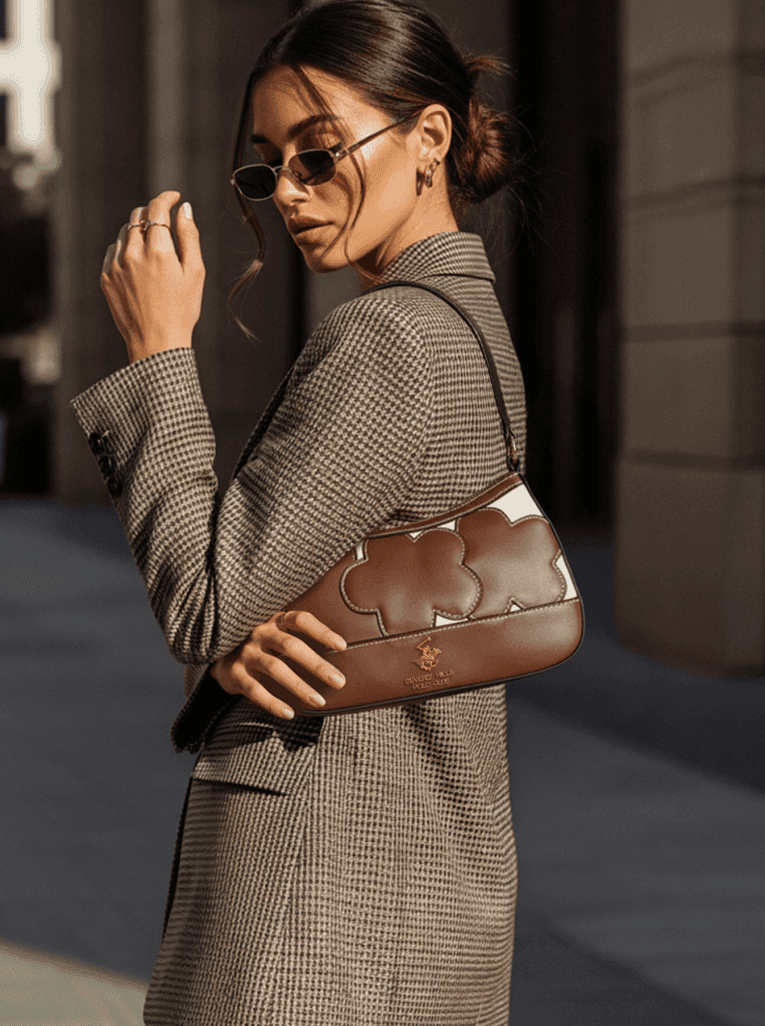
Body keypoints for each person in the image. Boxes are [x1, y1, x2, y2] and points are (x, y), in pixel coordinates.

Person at [72, 0, 528, 1021]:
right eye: (267, 165)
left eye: (318, 154)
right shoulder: (473, 326)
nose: (286, 190)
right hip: (429, 890)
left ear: (430, 137)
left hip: (319, 916)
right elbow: (330, 593)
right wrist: (241, 645)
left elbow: (205, 602)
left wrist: (158, 353)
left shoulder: (388, 340)